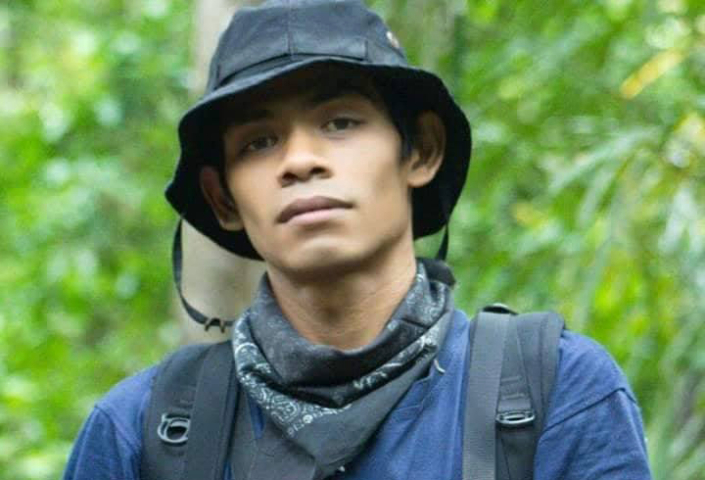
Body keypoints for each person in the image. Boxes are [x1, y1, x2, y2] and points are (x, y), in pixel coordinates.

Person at [62, 1, 652, 479]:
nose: (300, 160)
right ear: (223, 200)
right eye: (258, 142)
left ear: (420, 150)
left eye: (340, 122)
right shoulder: (142, 430)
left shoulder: (554, 391)